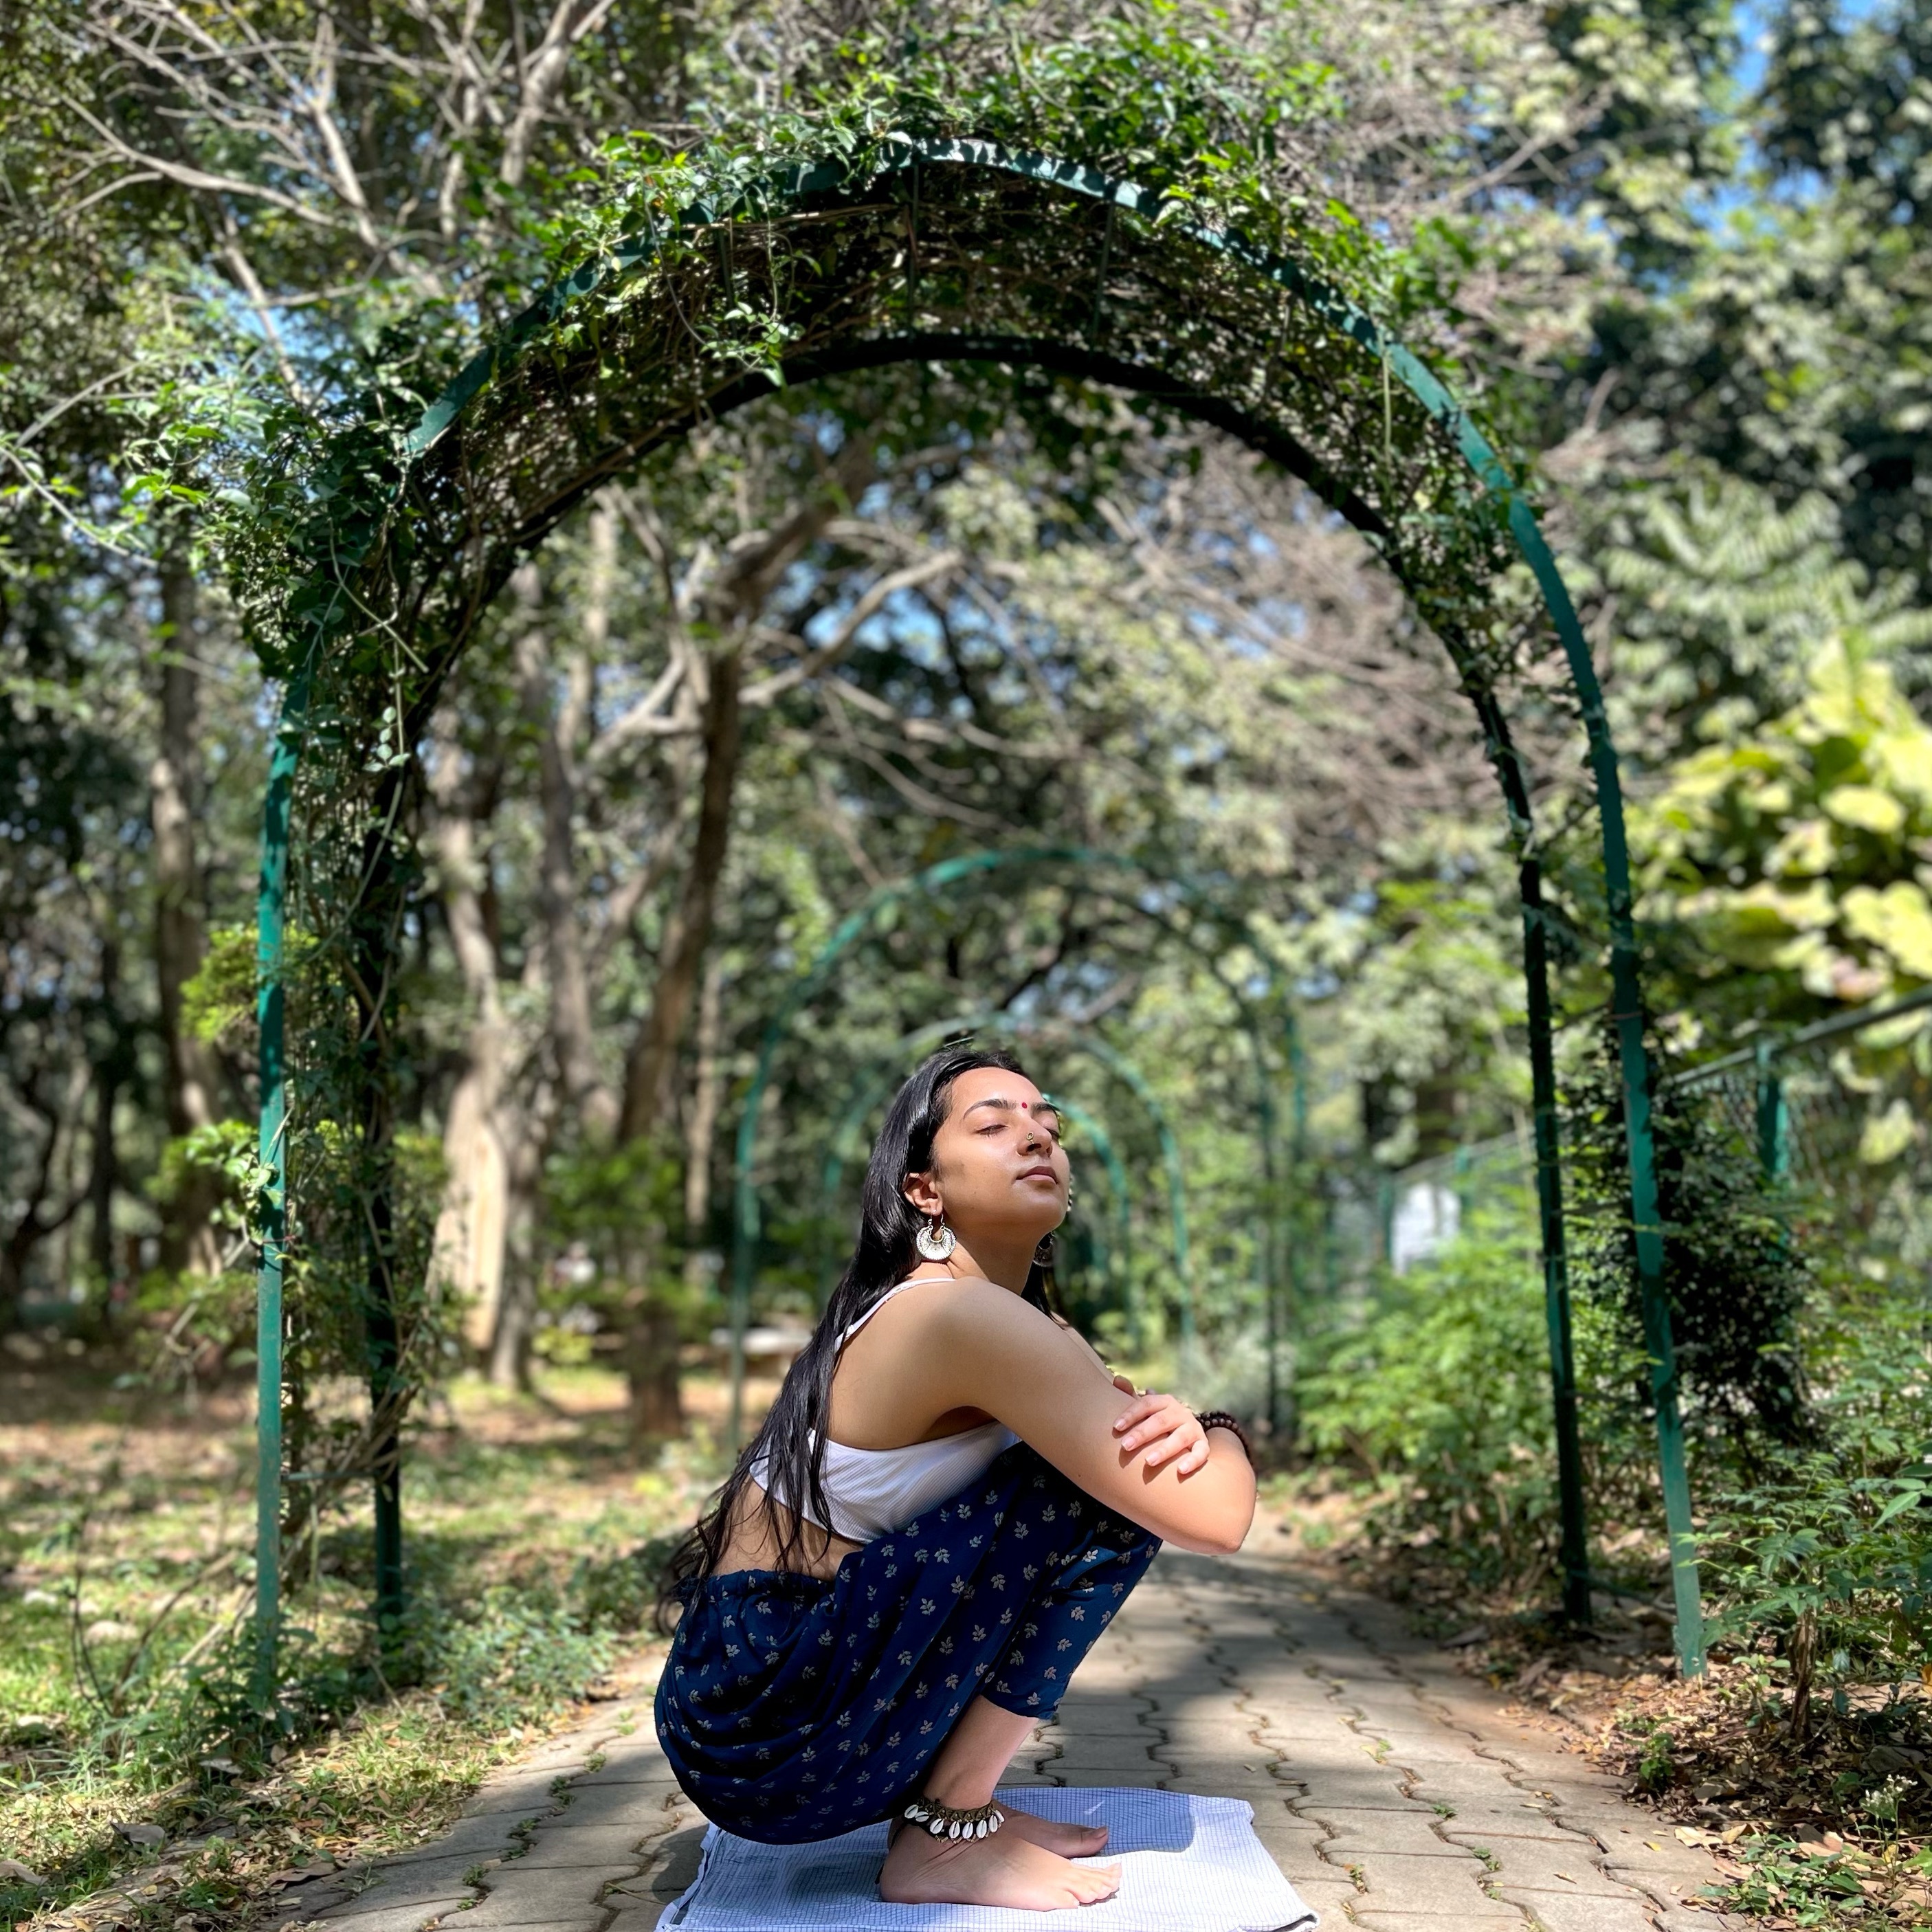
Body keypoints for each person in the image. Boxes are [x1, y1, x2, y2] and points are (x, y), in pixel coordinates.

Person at [656, 1047, 1258, 1911]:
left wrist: (1171, 1428)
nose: (1037, 1138)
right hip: (764, 1723)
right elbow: (1214, 1517)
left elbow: (1140, 1456)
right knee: (1094, 1501)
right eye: (993, 1125)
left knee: (1090, 1478)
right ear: (924, 1191)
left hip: (754, 1710)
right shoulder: (954, 1314)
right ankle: (945, 1833)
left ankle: (951, 1815)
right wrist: (1221, 1427)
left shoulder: (1007, 1321)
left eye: (1047, 1124)